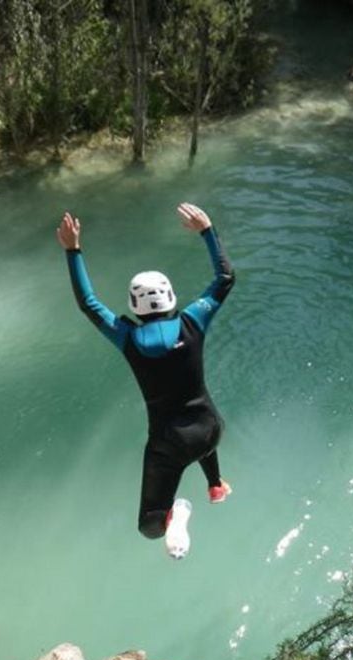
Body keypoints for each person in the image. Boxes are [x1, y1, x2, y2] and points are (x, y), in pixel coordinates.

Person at [55, 202, 235, 558]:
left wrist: (73, 251)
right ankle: (215, 485)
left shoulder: (129, 339)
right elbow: (225, 278)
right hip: (211, 428)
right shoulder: (193, 322)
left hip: (169, 445)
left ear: (134, 306)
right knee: (201, 436)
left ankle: (176, 518)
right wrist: (207, 231)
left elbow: (89, 304)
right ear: (170, 297)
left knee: (149, 526)